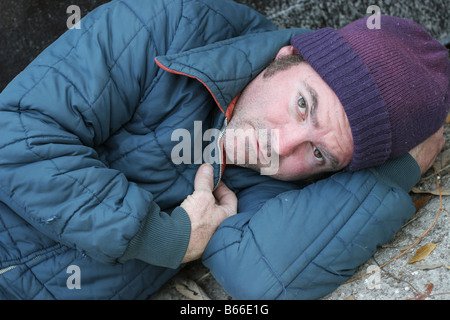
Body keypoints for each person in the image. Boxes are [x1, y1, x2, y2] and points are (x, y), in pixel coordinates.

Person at [0, 0, 447, 300]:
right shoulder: (164, 27)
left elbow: (260, 276)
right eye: (302, 105)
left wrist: (392, 173)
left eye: (319, 153)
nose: (281, 146)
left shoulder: (284, 179)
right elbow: (16, 135)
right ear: (286, 56)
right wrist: (162, 236)